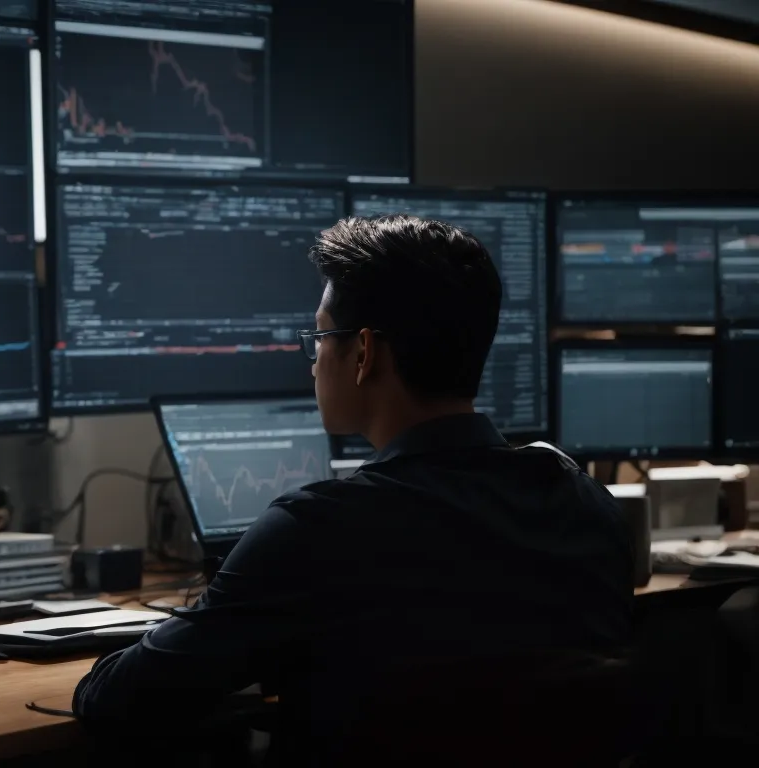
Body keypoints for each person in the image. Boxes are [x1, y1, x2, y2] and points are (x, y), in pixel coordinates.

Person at [71, 215, 634, 763]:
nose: (314, 359)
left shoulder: (317, 530)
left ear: (364, 353)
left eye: (320, 336)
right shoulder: (585, 504)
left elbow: (120, 702)